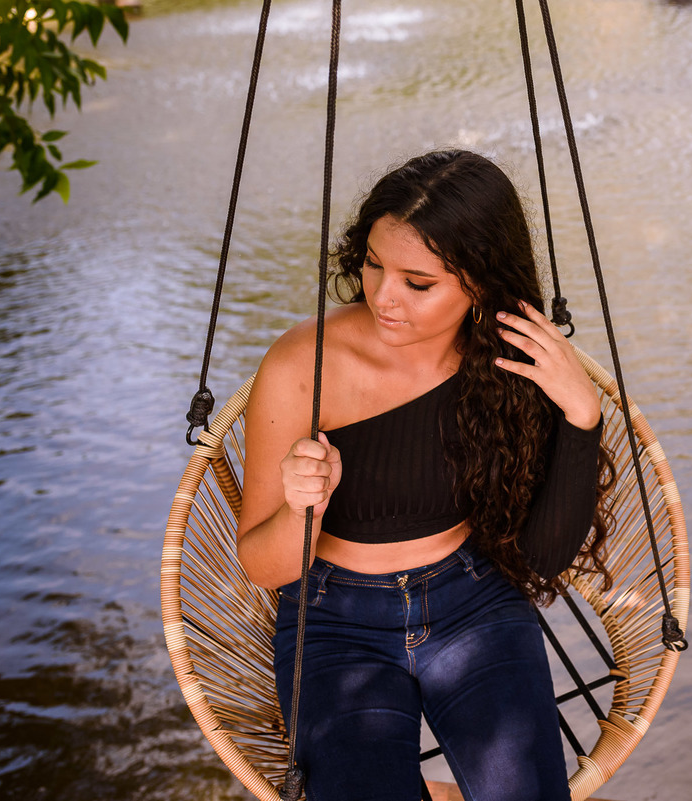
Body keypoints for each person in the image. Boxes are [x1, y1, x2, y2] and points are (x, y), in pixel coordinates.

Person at [235, 150, 615, 801]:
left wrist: (582, 416)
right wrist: (303, 509)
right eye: (372, 263)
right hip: (335, 619)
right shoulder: (303, 364)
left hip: (475, 603)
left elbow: (542, 558)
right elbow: (263, 566)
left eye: (417, 283)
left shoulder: (508, 360)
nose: (383, 297)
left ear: (479, 285)